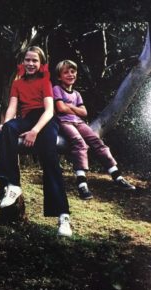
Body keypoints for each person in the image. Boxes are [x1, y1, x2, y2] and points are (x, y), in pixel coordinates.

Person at [0, 46, 72, 236]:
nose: (30, 63)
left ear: (41, 64)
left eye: (34, 60)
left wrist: (34, 131)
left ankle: (63, 217)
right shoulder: (17, 83)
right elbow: (12, 107)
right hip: (27, 117)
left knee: (50, 160)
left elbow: (49, 110)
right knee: (9, 129)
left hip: (45, 121)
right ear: (22, 62)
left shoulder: (45, 81)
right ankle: (13, 185)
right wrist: (6, 124)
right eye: (27, 60)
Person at [53, 59, 136, 200]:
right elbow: (60, 108)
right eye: (66, 72)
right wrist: (75, 109)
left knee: (97, 142)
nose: (70, 74)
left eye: (73, 71)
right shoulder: (57, 89)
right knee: (79, 143)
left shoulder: (77, 94)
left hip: (79, 122)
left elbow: (84, 112)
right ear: (59, 76)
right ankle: (82, 184)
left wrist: (70, 108)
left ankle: (117, 176)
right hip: (64, 122)